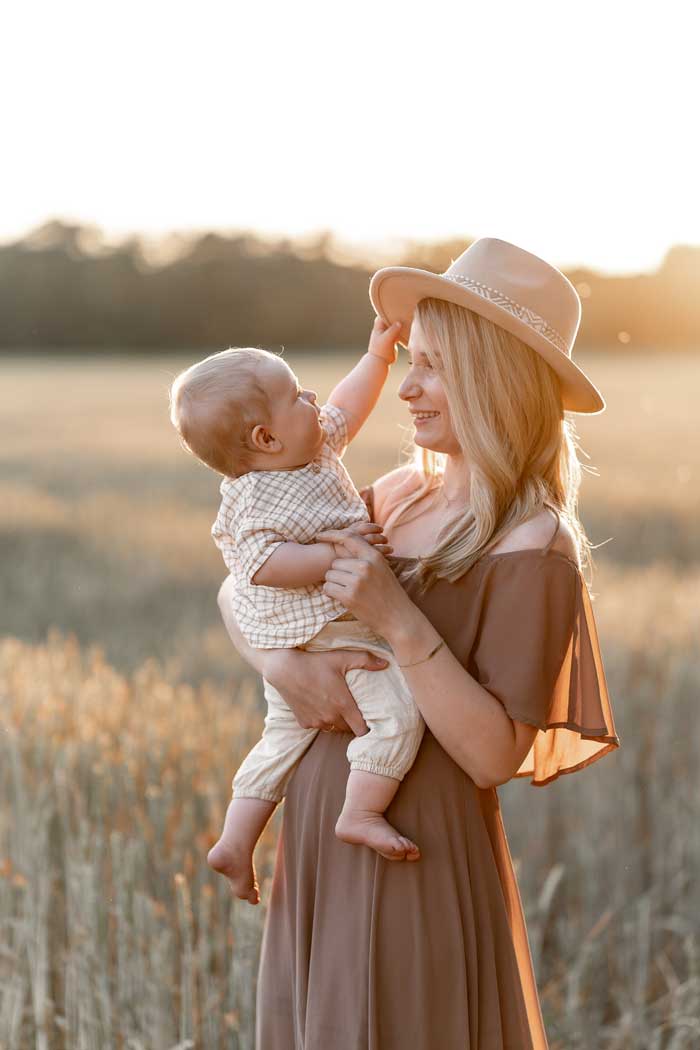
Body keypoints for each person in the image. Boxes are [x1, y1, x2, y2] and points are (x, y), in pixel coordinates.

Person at [216, 237, 621, 1049]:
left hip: (418, 846)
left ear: (491, 376)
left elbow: (492, 755)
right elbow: (239, 584)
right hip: (321, 832)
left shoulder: (534, 541)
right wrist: (281, 666)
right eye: (411, 360)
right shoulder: (397, 496)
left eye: (432, 365)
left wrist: (398, 619)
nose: (407, 388)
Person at [168, 323, 433, 903]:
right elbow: (261, 564)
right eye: (296, 395)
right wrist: (332, 551)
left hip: (294, 640)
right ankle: (360, 812)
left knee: (281, 736)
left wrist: (375, 356)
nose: (313, 399)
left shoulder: (311, 448)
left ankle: (234, 842)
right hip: (317, 631)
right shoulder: (256, 496)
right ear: (265, 438)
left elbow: (346, 407)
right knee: (397, 715)